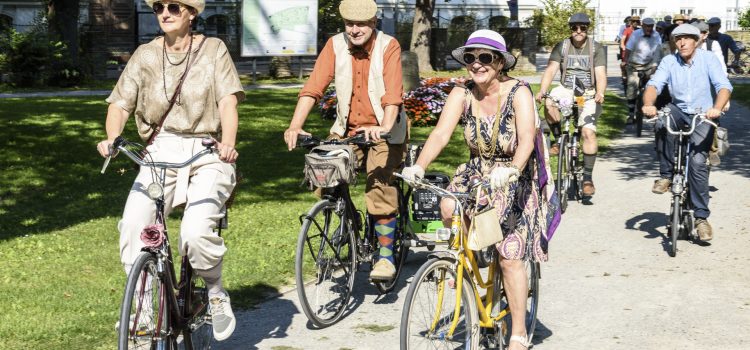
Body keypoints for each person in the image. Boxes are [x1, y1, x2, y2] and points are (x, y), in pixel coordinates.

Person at [96, 0, 244, 341]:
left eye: (174, 7)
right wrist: (113, 138)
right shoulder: (145, 55)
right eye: (159, 7)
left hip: (207, 149)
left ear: (191, 13)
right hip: (160, 149)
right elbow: (119, 103)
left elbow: (228, 102)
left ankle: (216, 292)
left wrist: (228, 143)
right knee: (134, 223)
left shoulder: (213, 50)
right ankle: (146, 307)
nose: (164, 12)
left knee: (194, 232)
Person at [400, 29, 554, 350]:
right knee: (447, 208)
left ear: (499, 62)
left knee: (509, 255)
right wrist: (420, 166)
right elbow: (441, 134)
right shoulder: (462, 93)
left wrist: (512, 169)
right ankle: (472, 275)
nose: (477, 64)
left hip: (513, 175)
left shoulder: (519, 92)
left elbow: (526, 139)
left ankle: (518, 332)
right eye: (471, 58)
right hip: (476, 171)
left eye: (485, 58)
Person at [282, 0, 407, 281]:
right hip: (347, 131)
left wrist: (384, 125)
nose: (354, 29)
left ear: (373, 23)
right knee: (324, 173)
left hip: (384, 131)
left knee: (378, 183)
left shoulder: (389, 46)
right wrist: (294, 125)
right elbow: (313, 87)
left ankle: (385, 257)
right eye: (350, 23)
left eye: (361, 23)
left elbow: (392, 95)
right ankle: (349, 220)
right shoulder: (335, 45)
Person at [642, 24, 732, 241]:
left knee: (698, 162)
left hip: (704, 113)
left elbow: (724, 86)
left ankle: (701, 218)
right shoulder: (669, 61)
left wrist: (717, 109)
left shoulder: (708, 59)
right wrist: (648, 104)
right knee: (662, 121)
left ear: (697, 40)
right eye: (677, 39)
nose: (681, 43)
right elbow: (654, 84)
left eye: (686, 38)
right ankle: (666, 176)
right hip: (679, 109)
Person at [537, 12, 606, 198]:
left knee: (587, 132)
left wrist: (600, 92)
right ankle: (559, 140)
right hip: (566, 88)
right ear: (570, 29)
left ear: (587, 29)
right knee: (549, 102)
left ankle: (587, 179)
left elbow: (600, 74)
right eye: (574, 27)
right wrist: (543, 90)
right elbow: (551, 69)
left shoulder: (596, 48)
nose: (578, 31)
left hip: (588, 92)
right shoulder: (563, 46)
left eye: (582, 28)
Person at [623, 17, 663, 123]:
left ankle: (650, 110)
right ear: (643, 26)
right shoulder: (635, 34)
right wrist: (625, 61)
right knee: (632, 87)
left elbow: (658, 51)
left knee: (653, 86)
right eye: (647, 26)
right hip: (634, 64)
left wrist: (655, 65)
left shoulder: (656, 35)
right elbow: (628, 49)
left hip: (650, 65)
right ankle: (631, 114)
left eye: (651, 26)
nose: (649, 28)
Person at [620, 16, 641, 87]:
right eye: (634, 21)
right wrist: (623, 47)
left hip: (637, 52)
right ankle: (624, 76)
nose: (635, 23)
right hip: (627, 51)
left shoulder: (640, 30)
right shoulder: (627, 30)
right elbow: (623, 39)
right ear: (631, 22)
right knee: (624, 64)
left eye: (637, 22)